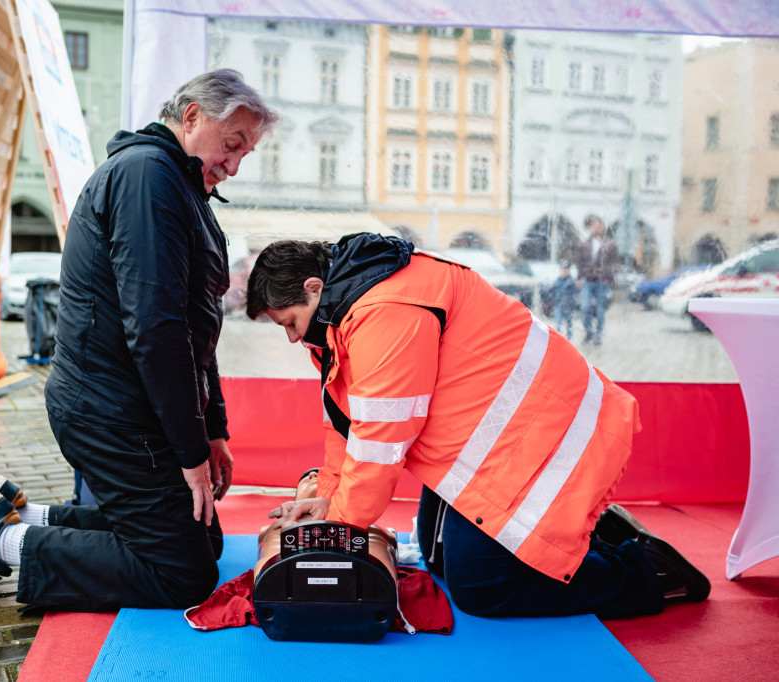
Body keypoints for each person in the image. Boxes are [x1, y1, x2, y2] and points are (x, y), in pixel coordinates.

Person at [0, 70, 279, 612]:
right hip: (110, 410)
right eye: (231, 146)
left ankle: (28, 518)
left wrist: (214, 432)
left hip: (129, 406)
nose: (233, 165)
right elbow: (157, 329)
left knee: (204, 538)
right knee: (183, 572)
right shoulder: (148, 177)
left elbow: (197, 332)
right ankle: (1, 544)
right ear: (191, 117)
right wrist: (189, 450)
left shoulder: (179, 185)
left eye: (244, 154)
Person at [244, 232, 709, 620]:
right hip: (493, 440)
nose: (291, 336)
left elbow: (379, 443)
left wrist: (338, 526)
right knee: (440, 556)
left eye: (289, 322)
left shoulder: (381, 313)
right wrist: (326, 498)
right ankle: (594, 532)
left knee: (484, 589)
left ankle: (645, 571)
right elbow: (345, 426)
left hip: (541, 432)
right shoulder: (339, 315)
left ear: (312, 286)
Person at [576, 215, 618, 345]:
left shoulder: (610, 244)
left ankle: (599, 334)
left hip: (601, 281)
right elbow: (580, 261)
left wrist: (608, 277)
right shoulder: (585, 243)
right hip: (587, 280)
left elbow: (615, 263)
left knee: (600, 309)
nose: (597, 228)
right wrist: (579, 277)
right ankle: (589, 332)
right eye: (594, 225)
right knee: (585, 307)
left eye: (599, 226)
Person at [549, 261, 577, 340]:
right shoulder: (558, 280)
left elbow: (573, 295)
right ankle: (557, 340)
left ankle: (569, 339)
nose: (564, 271)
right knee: (557, 324)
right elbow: (553, 291)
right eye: (562, 269)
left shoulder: (571, 282)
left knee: (569, 325)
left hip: (567, 306)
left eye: (566, 270)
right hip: (558, 305)